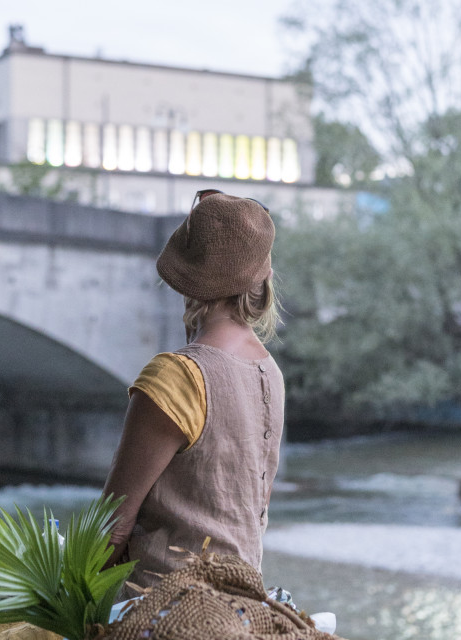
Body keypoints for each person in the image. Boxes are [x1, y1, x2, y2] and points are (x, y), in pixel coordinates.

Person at [102, 189, 284, 594]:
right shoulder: (270, 372)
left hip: (162, 610)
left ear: (186, 279)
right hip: (242, 607)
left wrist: (64, 601)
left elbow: (113, 528)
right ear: (263, 279)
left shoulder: (177, 375)